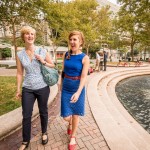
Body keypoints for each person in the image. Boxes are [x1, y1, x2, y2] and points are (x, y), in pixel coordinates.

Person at [16, 26, 55, 150]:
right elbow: (19, 73)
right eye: (27, 34)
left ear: (34, 36)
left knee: (43, 111)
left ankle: (44, 133)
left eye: (32, 34)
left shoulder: (42, 51)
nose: (30, 36)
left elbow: (52, 65)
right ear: (23, 37)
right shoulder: (20, 54)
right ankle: (25, 140)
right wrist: (18, 89)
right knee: (26, 115)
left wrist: (43, 61)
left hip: (42, 87)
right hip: (27, 88)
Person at [61, 31, 89, 150]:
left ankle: (73, 136)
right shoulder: (66, 54)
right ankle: (70, 123)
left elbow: (83, 77)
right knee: (66, 116)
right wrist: (60, 84)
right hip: (66, 87)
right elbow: (62, 71)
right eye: (71, 39)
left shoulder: (84, 58)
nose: (72, 42)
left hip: (78, 88)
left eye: (75, 39)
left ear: (80, 41)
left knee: (75, 114)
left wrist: (78, 92)